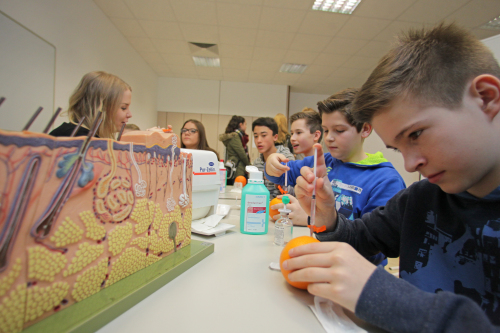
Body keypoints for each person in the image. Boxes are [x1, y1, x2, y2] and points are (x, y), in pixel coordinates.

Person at [286, 23, 500, 332]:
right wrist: (327, 215)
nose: (411, 165)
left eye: (416, 134)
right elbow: (360, 238)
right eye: (398, 148)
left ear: (486, 98)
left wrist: (380, 295)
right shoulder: (422, 197)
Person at [265, 89, 405, 240]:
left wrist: (311, 218)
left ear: (364, 129)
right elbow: (279, 174)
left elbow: (374, 241)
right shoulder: (321, 162)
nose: (329, 138)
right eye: (325, 130)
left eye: (339, 130)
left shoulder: (385, 180)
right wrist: (272, 162)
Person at [50, 71, 132, 138]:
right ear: (102, 107)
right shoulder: (78, 140)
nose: (130, 114)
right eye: (123, 108)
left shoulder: (91, 138)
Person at [252, 117, 294, 199]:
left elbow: (293, 192)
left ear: (275, 137)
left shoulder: (286, 159)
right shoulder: (257, 163)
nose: (258, 140)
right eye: (256, 136)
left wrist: (277, 182)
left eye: (264, 135)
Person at [219, 116, 250, 184]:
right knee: (238, 189)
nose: (246, 126)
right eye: (245, 124)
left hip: (234, 166)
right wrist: (249, 165)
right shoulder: (235, 136)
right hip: (238, 168)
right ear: (240, 124)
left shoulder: (236, 136)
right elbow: (241, 153)